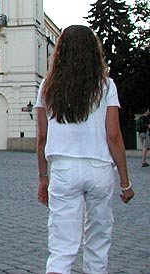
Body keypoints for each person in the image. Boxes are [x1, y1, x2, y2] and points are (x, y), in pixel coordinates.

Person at [35, 25, 134, 274]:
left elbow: (42, 137)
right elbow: (113, 135)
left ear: (60, 51)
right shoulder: (106, 86)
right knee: (98, 243)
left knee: (61, 247)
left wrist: (43, 177)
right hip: (99, 168)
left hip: (63, 169)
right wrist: (125, 182)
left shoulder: (47, 86)